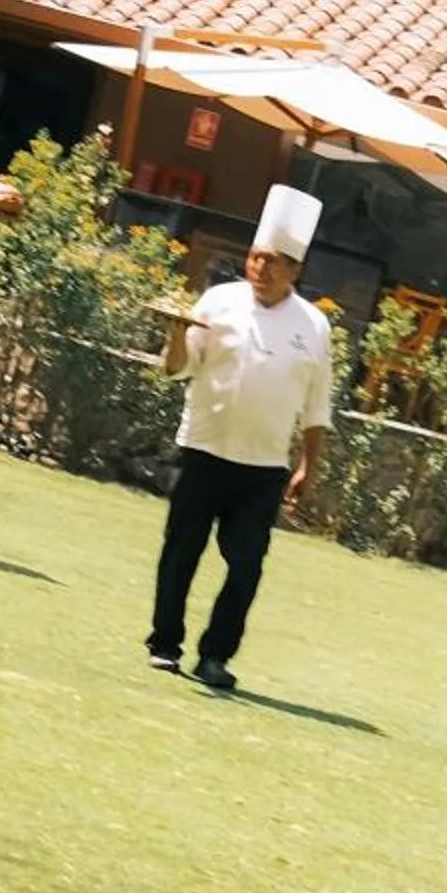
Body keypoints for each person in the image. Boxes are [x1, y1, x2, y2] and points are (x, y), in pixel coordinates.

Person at [147, 183, 334, 691]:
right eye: (255, 258)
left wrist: (307, 466)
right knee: (181, 550)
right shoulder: (218, 301)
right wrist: (171, 332)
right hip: (204, 449)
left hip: (265, 466)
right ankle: (165, 644)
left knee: (246, 565)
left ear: (295, 269)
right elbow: (177, 369)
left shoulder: (314, 326)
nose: (260, 269)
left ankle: (215, 656)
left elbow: (317, 406)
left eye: (272, 261)